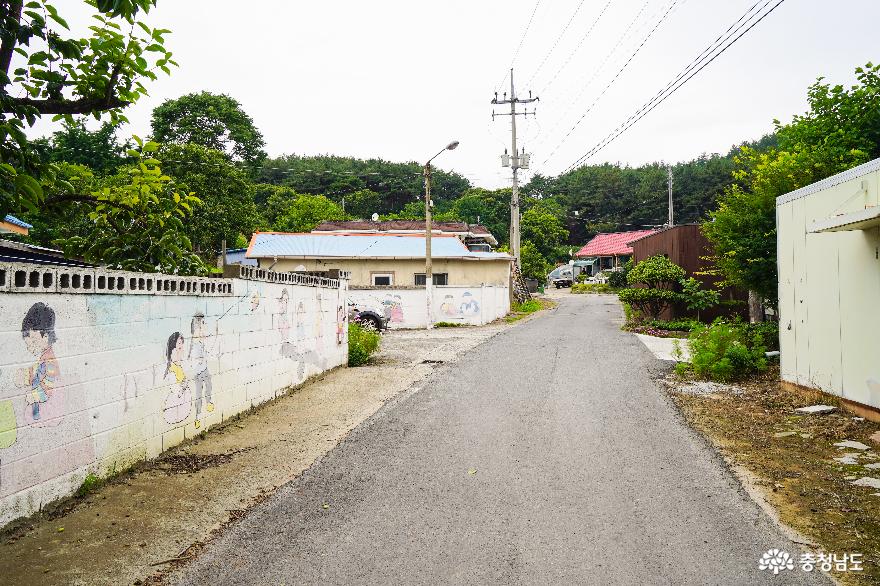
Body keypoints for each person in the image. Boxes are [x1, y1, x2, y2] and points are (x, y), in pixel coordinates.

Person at [18, 303, 60, 423]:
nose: (30, 348)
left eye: (33, 342)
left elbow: (49, 388)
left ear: (45, 337)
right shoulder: (43, 358)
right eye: (28, 345)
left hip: (48, 410)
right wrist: (26, 374)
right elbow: (37, 372)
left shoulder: (50, 362)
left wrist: (35, 396)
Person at [189, 313, 216, 429]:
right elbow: (195, 359)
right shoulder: (194, 345)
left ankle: (209, 402)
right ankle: (198, 417)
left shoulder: (201, 343)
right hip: (198, 373)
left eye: (203, 326)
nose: (203, 331)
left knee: (209, 385)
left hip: (204, 370)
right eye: (200, 328)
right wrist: (202, 358)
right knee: (199, 395)